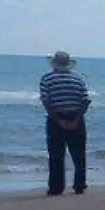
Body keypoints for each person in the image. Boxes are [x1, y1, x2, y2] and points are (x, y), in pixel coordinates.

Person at [39, 51, 91, 196]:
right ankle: (79, 185)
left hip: (56, 118)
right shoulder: (78, 79)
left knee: (56, 155)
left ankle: (56, 187)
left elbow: (46, 102)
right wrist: (75, 119)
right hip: (76, 117)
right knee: (79, 155)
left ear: (54, 63)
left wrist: (58, 120)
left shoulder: (47, 79)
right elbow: (85, 101)